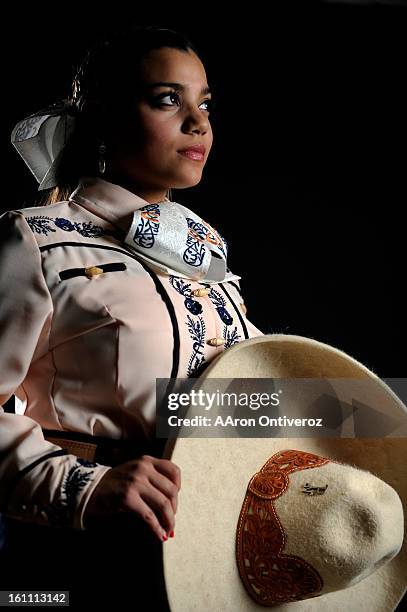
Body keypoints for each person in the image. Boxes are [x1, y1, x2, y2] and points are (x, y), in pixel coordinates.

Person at [0, 24, 264, 608]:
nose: (199, 122)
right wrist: (85, 488)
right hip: (75, 558)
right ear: (105, 117)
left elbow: (222, 401)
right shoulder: (34, 240)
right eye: (167, 99)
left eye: (205, 103)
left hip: (209, 548)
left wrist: (363, 415)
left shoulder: (205, 253)